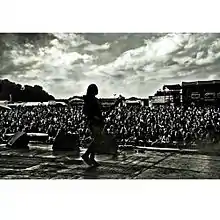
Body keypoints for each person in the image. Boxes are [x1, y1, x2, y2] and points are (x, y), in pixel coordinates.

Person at [70, 84, 124, 167]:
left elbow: (102, 109)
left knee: (97, 140)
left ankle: (91, 157)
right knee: (98, 139)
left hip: (98, 122)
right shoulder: (89, 100)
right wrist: (94, 117)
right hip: (93, 122)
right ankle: (87, 155)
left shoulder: (95, 100)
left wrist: (115, 104)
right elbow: (85, 111)